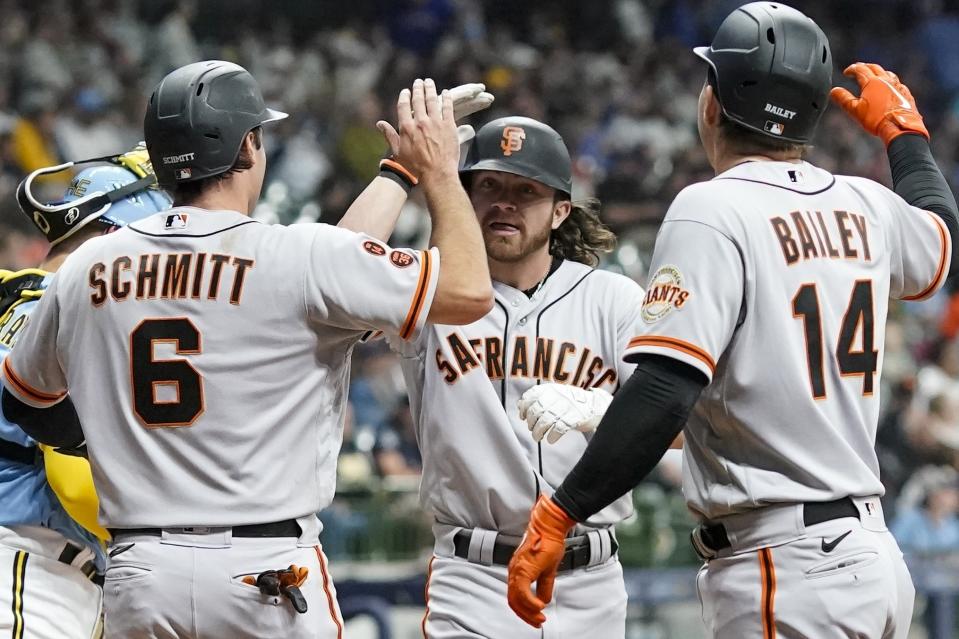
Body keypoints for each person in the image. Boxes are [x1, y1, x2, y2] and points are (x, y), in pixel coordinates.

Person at [506, 3, 959, 638]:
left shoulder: (711, 207)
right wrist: (905, 136)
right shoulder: (865, 201)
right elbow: (944, 242)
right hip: (870, 557)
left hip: (785, 566)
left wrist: (561, 511)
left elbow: (665, 389)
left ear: (712, 103)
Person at [1, 60, 493, 639]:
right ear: (250, 146)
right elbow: (465, 291)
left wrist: (120, 440)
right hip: (262, 569)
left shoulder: (87, 268)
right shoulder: (290, 255)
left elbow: (28, 402)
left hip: (140, 572)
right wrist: (436, 174)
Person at [342, 115, 644, 638]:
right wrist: (403, 170)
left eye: (526, 190)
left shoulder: (613, 300)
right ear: (464, 197)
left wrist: (602, 410)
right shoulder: (429, 292)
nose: (504, 201)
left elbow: (684, 422)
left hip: (590, 580)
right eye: (488, 185)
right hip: (474, 577)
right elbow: (333, 271)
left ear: (560, 211)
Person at [0, 145, 171, 638]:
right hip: (29, 570)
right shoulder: (77, 316)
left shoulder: (17, 297)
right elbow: (75, 483)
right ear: (118, 237)